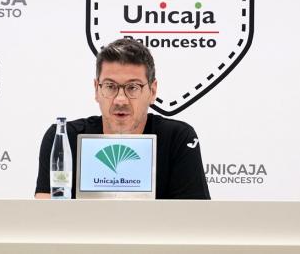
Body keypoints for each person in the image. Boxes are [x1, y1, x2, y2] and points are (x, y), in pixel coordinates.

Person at [34, 38, 210, 199]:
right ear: (97, 89)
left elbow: (193, 220)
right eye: (110, 86)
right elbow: (46, 217)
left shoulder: (177, 138)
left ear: (153, 91)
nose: (120, 100)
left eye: (133, 87)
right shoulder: (63, 138)